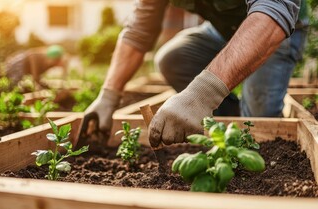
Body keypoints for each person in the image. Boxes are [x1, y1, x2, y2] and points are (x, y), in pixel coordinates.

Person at [77, 0, 308, 149]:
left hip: (276, 27)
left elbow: (273, 11)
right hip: (223, 29)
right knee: (172, 59)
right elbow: (139, 30)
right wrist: (108, 96)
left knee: (259, 125)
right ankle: (227, 120)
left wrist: (203, 94)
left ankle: (238, 123)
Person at [2, 45, 66, 90]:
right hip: (17, 66)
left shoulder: (49, 64)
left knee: (17, 86)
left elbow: (37, 78)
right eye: (56, 60)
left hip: (22, 70)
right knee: (10, 85)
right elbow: (35, 77)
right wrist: (43, 86)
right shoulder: (36, 57)